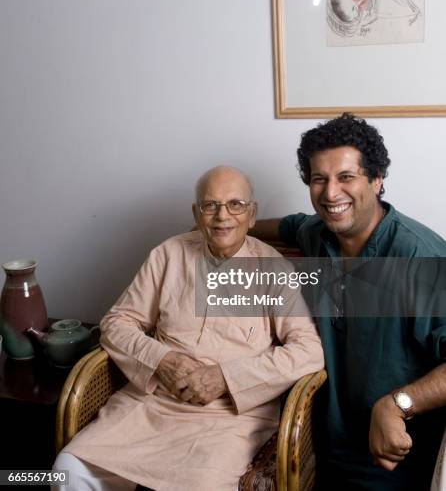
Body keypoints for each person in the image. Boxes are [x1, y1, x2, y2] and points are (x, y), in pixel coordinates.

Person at [53, 165, 324, 491]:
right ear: (197, 214)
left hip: (228, 418)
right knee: (68, 469)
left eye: (235, 205)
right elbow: (116, 322)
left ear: (252, 215)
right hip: (151, 407)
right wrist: (162, 360)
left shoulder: (274, 269)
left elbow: (308, 351)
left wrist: (225, 378)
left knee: (202, 484)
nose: (222, 216)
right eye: (211, 205)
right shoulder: (167, 254)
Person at [251, 114, 446, 491]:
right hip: (317, 450)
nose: (329, 193)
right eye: (318, 179)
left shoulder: (419, 257)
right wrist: (230, 222)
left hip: (393, 464)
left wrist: (397, 404)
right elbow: (289, 224)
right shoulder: (317, 235)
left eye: (346, 177)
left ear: (376, 179)